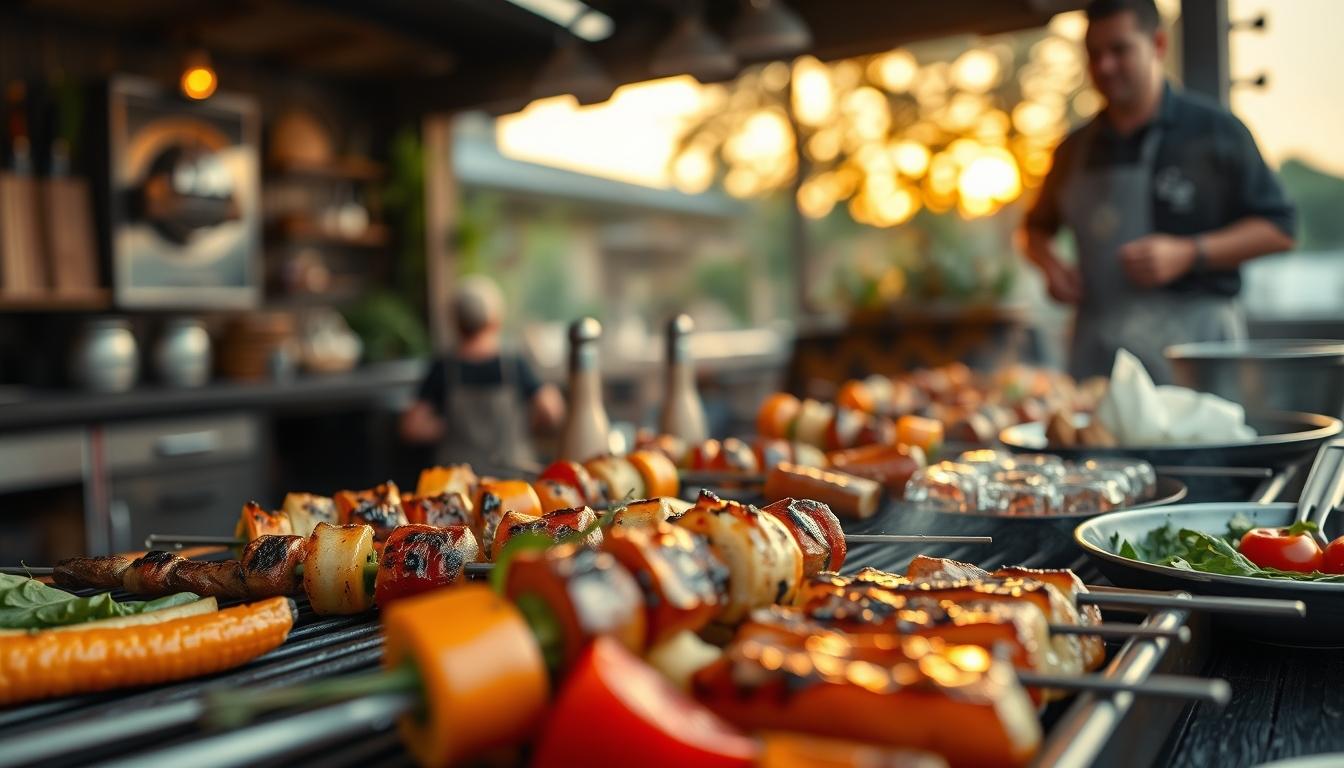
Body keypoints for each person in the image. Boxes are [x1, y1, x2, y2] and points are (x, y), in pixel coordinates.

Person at [1022, 0, 1296, 383]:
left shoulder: (1216, 132)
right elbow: (1035, 230)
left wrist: (1190, 253)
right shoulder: (1074, 150)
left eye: (1119, 50)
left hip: (1198, 355)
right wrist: (1052, 267)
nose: (1104, 67)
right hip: (1100, 361)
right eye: (1094, 54)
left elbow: (1280, 230)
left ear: (1159, 44)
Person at [400, 275, 565, 469]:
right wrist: (525, 422)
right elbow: (553, 411)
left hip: (457, 486)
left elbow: (412, 427)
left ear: (456, 322)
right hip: (512, 482)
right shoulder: (514, 364)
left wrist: (451, 427)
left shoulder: (443, 368)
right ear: (496, 320)